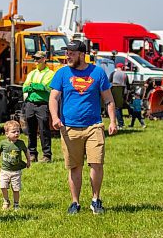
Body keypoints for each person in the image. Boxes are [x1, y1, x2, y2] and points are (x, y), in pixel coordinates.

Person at [49, 40, 117, 215]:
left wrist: (113, 121)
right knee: (74, 167)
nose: (67, 56)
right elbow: (54, 98)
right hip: (69, 128)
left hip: (94, 126)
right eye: (67, 53)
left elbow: (108, 99)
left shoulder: (98, 73)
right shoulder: (62, 73)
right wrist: (55, 118)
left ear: (81, 54)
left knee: (96, 164)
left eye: (71, 53)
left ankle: (96, 200)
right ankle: (75, 202)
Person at [23, 51, 55, 163]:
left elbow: (45, 88)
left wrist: (33, 86)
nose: (35, 61)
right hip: (30, 104)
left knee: (44, 130)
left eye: (38, 58)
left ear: (44, 59)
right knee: (30, 130)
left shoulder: (50, 73)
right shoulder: (32, 73)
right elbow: (24, 87)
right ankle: (32, 154)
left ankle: (47, 155)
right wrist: (34, 87)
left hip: (42, 104)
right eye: (35, 59)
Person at [0, 120, 31, 210]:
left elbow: (26, 151)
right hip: (5, 170)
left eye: (18, 131)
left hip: (16, 171)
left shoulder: (21, 143)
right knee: (3, 186)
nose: (16, 133)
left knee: (16, 189)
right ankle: (6, 201)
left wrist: (28, 161)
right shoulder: (3, 143)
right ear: (7, 134)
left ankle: (16, 204)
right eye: (13, 132)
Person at [111, 62, 130, 129]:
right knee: (120, 108)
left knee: (117, 108)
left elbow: (109, 83)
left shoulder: (113, 73)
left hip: (115, 92)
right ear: (122, 67)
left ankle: (120, 124)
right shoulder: (125, 74)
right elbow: (128, 85)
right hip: (123, 92)